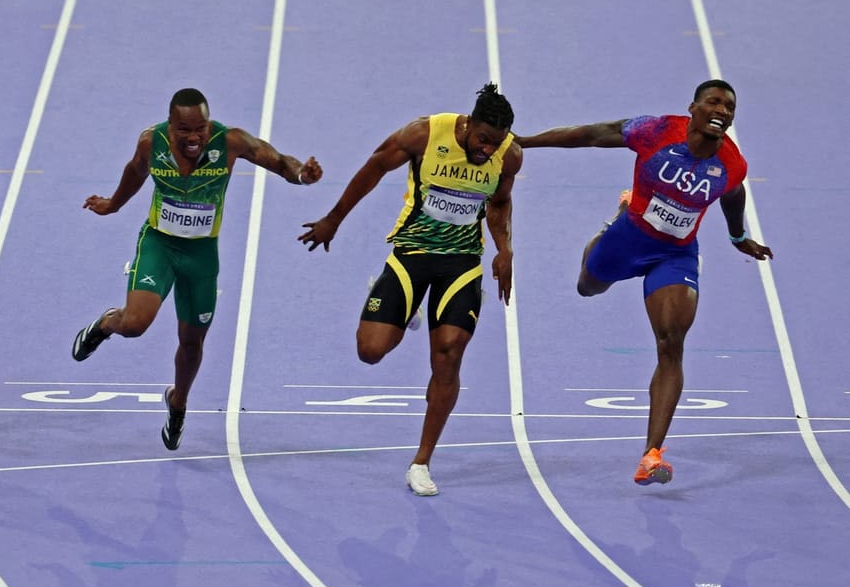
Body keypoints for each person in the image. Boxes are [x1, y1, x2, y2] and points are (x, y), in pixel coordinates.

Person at [515, 79, 772, 486]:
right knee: (588, 286)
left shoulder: (732, 163)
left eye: (729, 106)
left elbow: (733, 193)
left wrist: (739, 237)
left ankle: (651, 454)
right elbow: (593, 134)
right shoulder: (655, 131)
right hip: (628, 239)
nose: (722, 110)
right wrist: (526, 142)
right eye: (714, 102)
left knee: (671, 343)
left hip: (675, 254)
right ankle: (609, 224)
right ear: (694, 108)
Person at [299, 84, 521, 496]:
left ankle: (421, 461)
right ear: (469, 124)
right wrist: (334, 219)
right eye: (482, 140)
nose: (487, 150)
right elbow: (374, 168)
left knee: (449, 356)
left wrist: (505, 249)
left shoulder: (509, 156)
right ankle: (408, 310)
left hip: (461, 263)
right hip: (412, 254)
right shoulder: (425, 135)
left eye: (496, 143)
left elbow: (499, 203)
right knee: (370, 351)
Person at [71, 88, 323, 451]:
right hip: (160, 245)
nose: (194, 138)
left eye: (200, 129)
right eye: (184, 130)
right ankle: (107, 323)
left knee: (192, 343)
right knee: (135, 324)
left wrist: (302, 175)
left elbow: (280, 161)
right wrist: (112, 205)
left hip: (202, 256)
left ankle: (178, 402)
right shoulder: (150, 142)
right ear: (169, 126)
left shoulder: (231, 141)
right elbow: (134, 172)